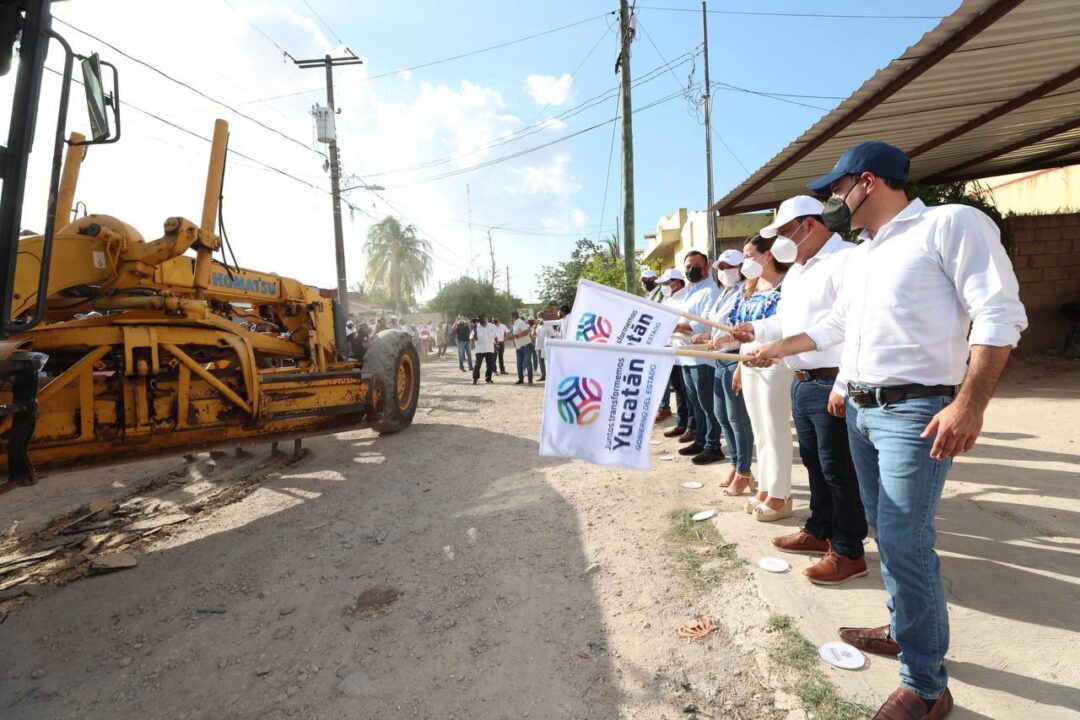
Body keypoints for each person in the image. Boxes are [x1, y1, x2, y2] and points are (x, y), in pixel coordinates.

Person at [751, 141, 1027, 719]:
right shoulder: (868, 253)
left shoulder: (949, 225)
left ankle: (926, 686)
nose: (832, 200)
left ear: (868, 182)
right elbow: (837, 325)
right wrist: (778, 348)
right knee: (885, 532)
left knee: (905, 540)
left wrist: (970, 405)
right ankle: (905, 628)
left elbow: (999, 313)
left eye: (836, 188)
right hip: (861, 410)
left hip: (915, 412)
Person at [736, 195, 867, 585]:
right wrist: (756, 331)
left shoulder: (847, 260)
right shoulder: (797, 270)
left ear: (809, 225)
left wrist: (843, 383)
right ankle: (819, 529)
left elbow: (851, 327)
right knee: (814, 465)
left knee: (839, 471)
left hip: (832, 379)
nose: (778, 243)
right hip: (803, 381)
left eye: (782, 232)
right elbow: (786, 320)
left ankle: (848, 551)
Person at [731, 234, 792, 520]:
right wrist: (740, 366)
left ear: (768, 255)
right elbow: (743, 331)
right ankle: (766, 488)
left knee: (776, 429)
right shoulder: (751, 287)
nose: (745, 262)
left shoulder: (788, 285)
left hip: (776, 364)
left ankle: (781, 494)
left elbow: (787, 328)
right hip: (750, 363)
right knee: (760, 431)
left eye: (750, 255)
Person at [695, 249, 754, 491]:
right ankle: (735, 463)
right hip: (719, 360)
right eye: (720, 267)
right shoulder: (724, 293)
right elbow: (720, 327)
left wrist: (726, 341)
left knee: (737, 419)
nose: (724, 272)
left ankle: (744, 470)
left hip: (734, 358)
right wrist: (708, 336)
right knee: (722, 416)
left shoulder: (746, 292)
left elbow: (744, 330)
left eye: (729, 267)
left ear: (742, 267)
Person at [669, 251, 724, 465]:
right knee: (697, 404)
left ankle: (713, 445)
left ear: (706, 266)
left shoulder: (710, 291)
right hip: (687, 357)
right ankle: (701, 440)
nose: (690, 269)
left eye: (694, 265)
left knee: (708, 405)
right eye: (687, 266)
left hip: (703, 358)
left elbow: (701, 326)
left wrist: (671, 325)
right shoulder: (692, 291)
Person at [656, 269, 691, 437]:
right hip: (671, 350)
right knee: (678, 389)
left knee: (688, 392)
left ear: (676, 282)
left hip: (686, 350)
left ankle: (692, 426)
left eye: (665, 283)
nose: (663, 287)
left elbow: (687, 325)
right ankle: (682, 423)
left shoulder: (686, 298)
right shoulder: (668, 299)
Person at [509, 310, 534, 385]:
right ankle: (521, 379)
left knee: (527, 364)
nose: (509, 318)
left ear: (513, 317)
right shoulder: (515, 324)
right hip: (519, 347)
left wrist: (516, 336)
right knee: (519, 364)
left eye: (510, 317)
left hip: (526, 346)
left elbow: (526, 332)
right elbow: (515, 336)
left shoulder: (520, 322)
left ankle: (530, 380)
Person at [472, 314, 499, 384]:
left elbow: (495, 336)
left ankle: (488, 378)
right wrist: (474, 337)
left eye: (486, 318)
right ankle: (475, 378)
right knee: (478, 364)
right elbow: (471, 337)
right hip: (479, 349)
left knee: (490, 364)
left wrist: (497, 344)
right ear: (482, 320)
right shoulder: (476, 327)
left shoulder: (491, 326)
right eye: (485, 319)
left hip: (489, 349)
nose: (487, 320)